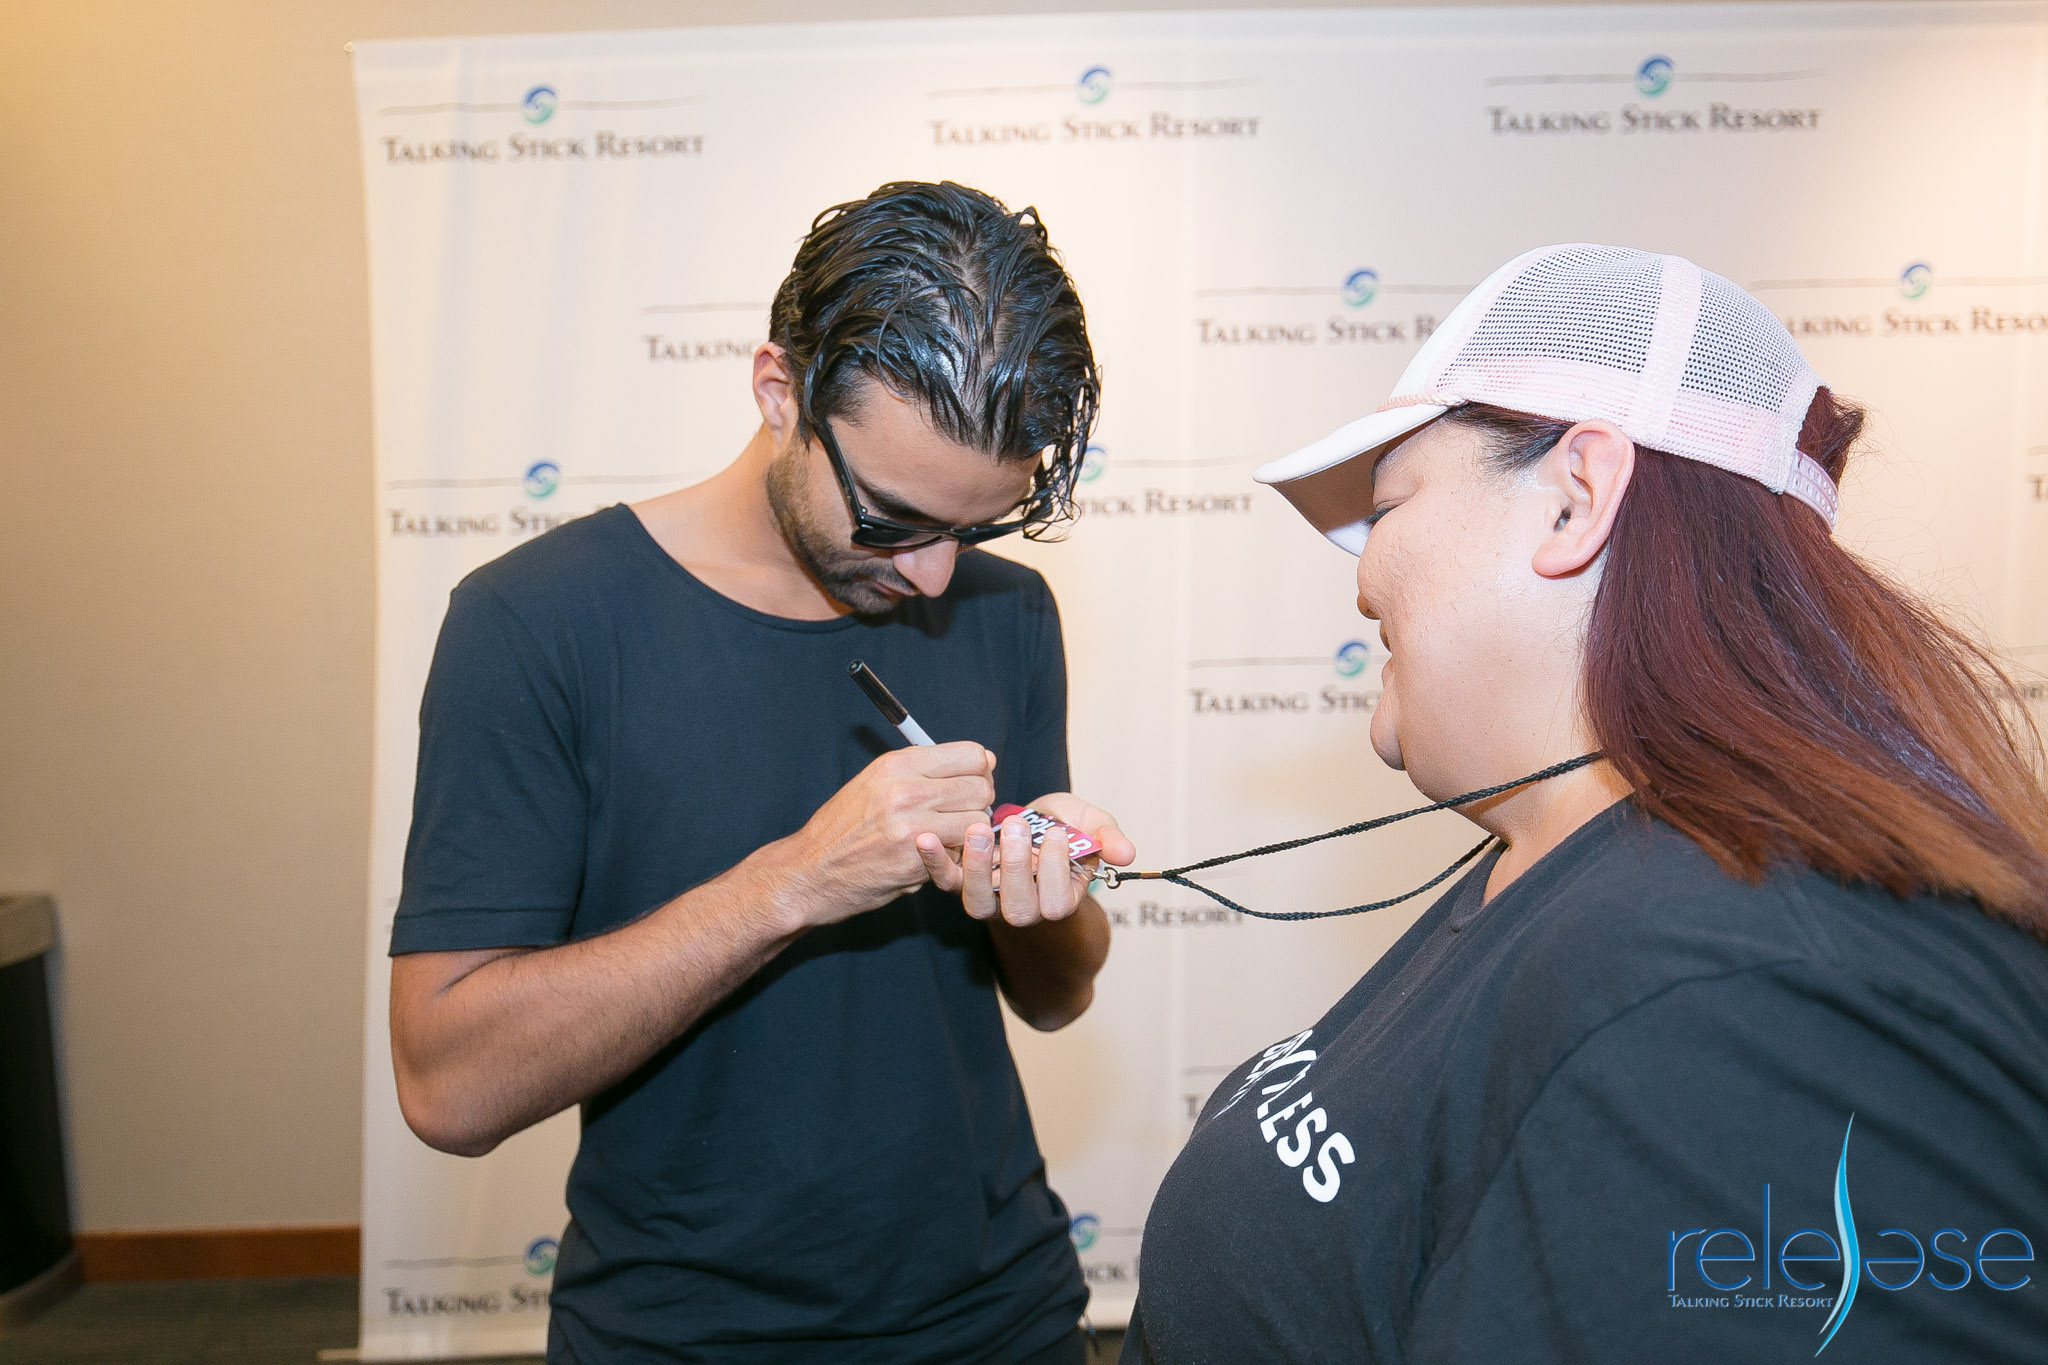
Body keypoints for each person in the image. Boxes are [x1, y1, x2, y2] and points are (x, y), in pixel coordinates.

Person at [1121, 244, 2048, 1362]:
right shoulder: (1585, 878)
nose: (1361, 581)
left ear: (1574, 500)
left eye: (1388, 506)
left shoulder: (1742, 990)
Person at [387, 181, 1135, 1365]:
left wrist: (1045, 893)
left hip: (1000, 1317)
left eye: (974, 530)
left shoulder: (1007, 614)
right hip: (681, 1336)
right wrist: (794, 882)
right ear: (779, 391)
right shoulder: (537, 625)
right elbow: (448, 1088)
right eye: (891, 519)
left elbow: (1055, 996)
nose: (933, 578)